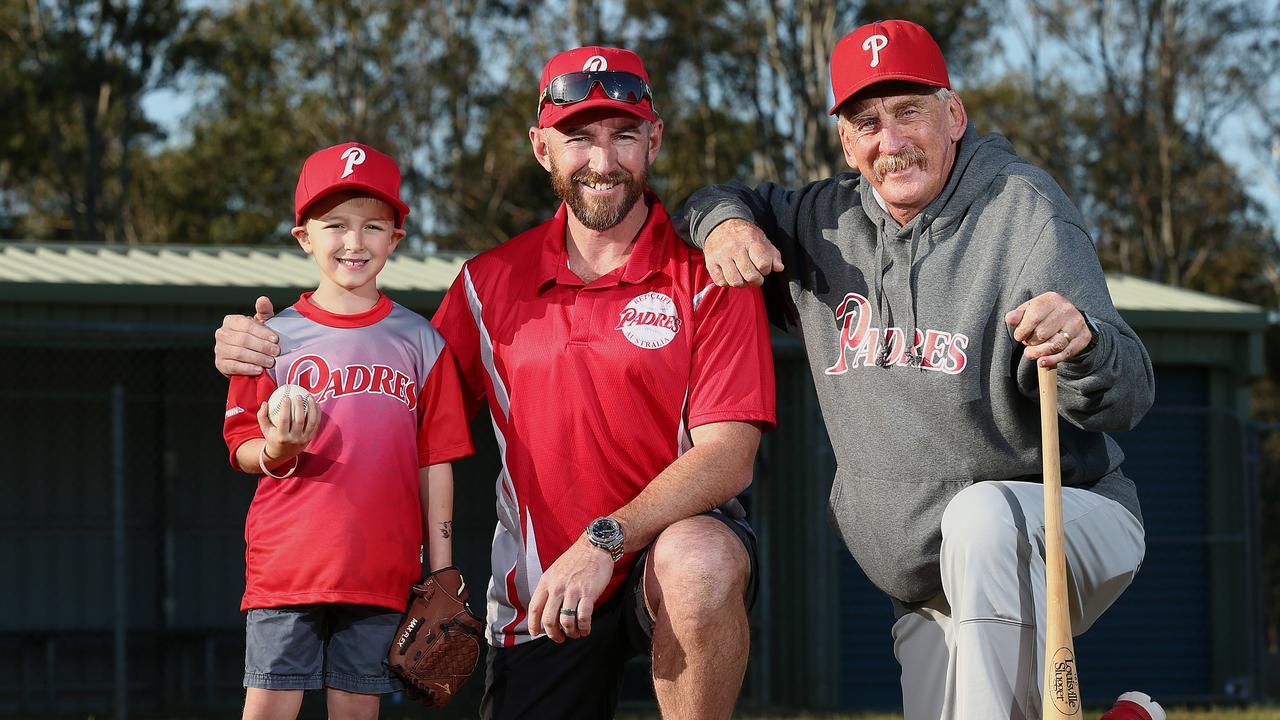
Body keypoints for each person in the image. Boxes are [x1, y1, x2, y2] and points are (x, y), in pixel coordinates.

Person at [214, 47, 775, 720]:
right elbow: (398, 399)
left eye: (624, 135)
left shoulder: (713, 274)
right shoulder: (486, 285)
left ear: (653, 139)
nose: (602, 162)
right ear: (541, 148)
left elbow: (728, 457)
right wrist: (270, 353)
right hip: (541, 590)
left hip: (654, 555)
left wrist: (603, 543)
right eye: (578, 139)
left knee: (700, 561)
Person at [682, 19, 1162, 720]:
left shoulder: (1022, 209)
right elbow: (713, 198)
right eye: (868, 121)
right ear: (847, 141)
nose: (892, 140)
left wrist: (1083, 340)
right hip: (927, 586)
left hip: (1067, 524)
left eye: (910, 110)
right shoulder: (824, 220)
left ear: (954, 114)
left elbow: (1130, 394)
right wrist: (724, 224)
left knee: (981, 519)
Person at [221, 142, 475, 720]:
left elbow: (434, 461)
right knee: (268, 706)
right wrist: (280, 449)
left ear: (396, 239)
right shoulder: (270, 337)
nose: (354, 242)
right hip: (289, 564)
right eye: (334, 225)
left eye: (372, 226)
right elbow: (240, 449)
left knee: (357, 709)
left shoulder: (422, 342)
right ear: (304, 236)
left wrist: (441, 570)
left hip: (382, 570)